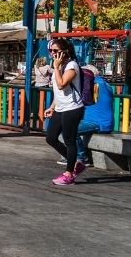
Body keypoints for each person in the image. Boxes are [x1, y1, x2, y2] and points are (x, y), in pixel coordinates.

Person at [43, 38, 86, 186]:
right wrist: (52, 106)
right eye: (51, 51)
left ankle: (69, 174)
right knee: (51, 138)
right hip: (60, 107)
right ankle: (75, 163)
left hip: (73, 108)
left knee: (69, 140)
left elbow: (61, 85)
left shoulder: (71, 66)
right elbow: (58, 92)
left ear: (65, 51)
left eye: (56, 51)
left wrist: (56, 67)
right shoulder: (59, 66)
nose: (53, 54)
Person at [73, 64, 114, 169]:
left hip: (99, 123)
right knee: (66, 126)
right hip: (94, 121)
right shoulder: (102, 84)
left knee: (71, 130)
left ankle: (82, 158)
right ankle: (72, 156)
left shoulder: (99, 85)